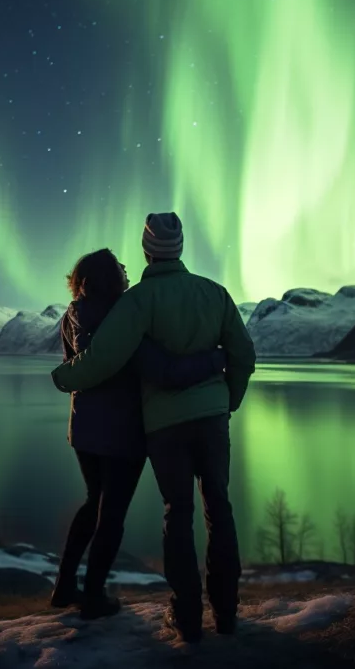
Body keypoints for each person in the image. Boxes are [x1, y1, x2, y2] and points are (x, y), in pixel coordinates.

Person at [51, 213, 257, 643]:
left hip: (164, 427)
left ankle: (186, 618)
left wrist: (63, 378)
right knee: (219, 507)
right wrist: (228, 401)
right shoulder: (215, 293)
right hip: (212, 420)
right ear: (180, 248)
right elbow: (243, 355)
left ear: (147, 250)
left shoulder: (139, 301)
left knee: (177, 514)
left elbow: (104, 357)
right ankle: (226, 613)